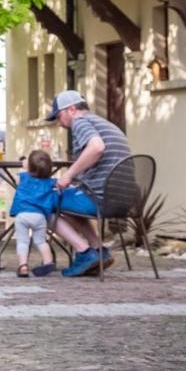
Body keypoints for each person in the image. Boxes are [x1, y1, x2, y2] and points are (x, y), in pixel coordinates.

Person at [45, 89, 132, 277]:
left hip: (101, 199)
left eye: (58, 116)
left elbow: (97, 147)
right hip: (123, 200)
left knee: (42, 201)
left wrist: (68, 176)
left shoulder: (81, 122)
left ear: (72, 110)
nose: (59, 123)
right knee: (69, 198)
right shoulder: (104, 123)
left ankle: (84, 252)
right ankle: (99, 250)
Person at [11, 150, 59, 278]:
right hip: (40, 216)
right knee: (41, 241)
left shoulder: (23, 177)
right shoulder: (51, 182)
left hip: (22, 215)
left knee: (22, 241)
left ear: (29, 167)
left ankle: (23, 266)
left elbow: (25, 168)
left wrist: (25, 163)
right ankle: (48, 261)